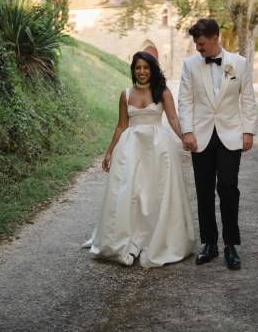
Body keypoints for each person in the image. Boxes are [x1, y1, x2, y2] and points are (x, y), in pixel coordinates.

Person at [83, 51, 195, 268]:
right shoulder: (125, 94)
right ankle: (128, 237)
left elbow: (172, 118)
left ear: (152, 69)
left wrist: (185, 138)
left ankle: (155, 238)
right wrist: (109, 152)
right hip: (131, 147)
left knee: (156, 191)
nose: (142, 72)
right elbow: (121, 125)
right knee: (129, 192)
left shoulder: (162, 92)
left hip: (157, 148)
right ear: (133, 70)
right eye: (138, 68)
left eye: (146, 67)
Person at [179, 18, 256, 270]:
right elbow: (185, 101)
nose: (198, 49)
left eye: (201, 44)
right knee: (203, 190)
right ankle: (209, 244)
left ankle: (230, 245)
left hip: (230, 134)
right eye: (196, 44)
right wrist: (187, 132)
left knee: (228, 187)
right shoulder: (189, 65)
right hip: (200, 135)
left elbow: (248, 100)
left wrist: (248, 132)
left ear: (215, 39)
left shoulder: (239, 63)